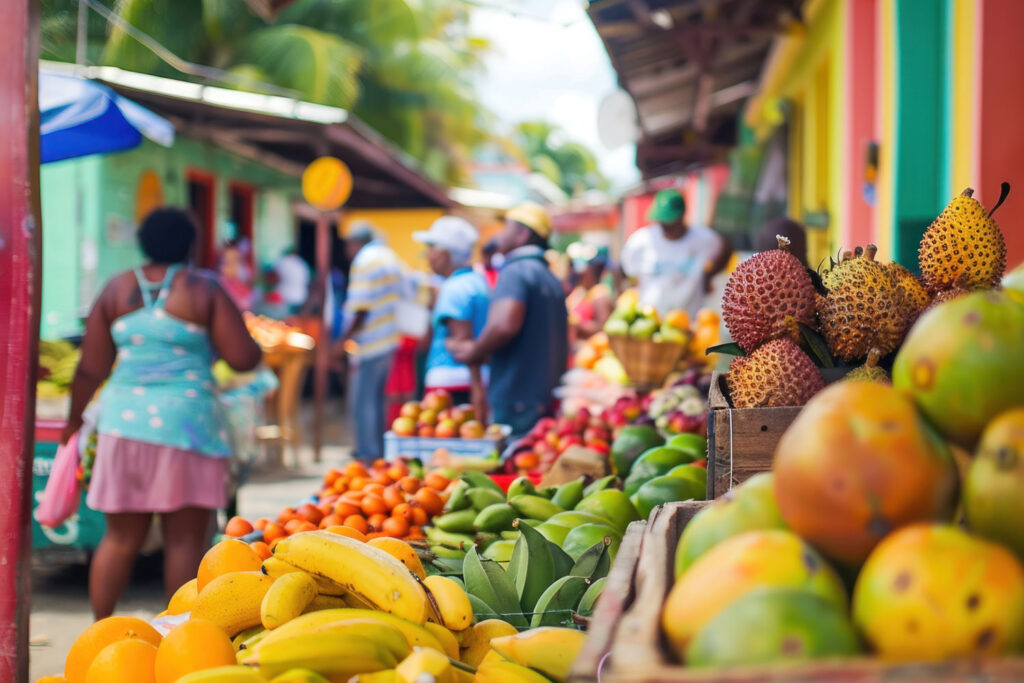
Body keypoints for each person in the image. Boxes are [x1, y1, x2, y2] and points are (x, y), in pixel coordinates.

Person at [61, 207, 261, 619]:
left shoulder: (116, 289)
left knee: (118, 539)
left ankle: (101, 631)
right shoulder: (204, 289)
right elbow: (243, 358)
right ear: (190, 244)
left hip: (123, 426)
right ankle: (182, 634)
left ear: (143, 244)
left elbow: (89, 369)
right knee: (185, 543)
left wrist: (71, 423)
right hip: (188, 427)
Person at [449, 203, 568, 440]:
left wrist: (476, 350)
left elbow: (504, 324)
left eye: (506, 228)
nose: (499, 234)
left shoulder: (516, 271)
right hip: (541, 396)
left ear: (522, 234)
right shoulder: (549, 277)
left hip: (516, 396)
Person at [413, 216, 491, 418]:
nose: (427, 256)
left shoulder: (455, 288)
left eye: (430, 249)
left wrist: (478, 400)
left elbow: (464, 346)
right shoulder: (475, 281)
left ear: (444, 254)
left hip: (453, 385)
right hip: (470, 381)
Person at [340, 221, 404, 462]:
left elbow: (360, 308)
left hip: (370, 343)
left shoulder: (365, 261)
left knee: (363, 401)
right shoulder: (389, 256)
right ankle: (378, 452)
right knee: (376, 400)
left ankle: (368, 454)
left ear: (355, 243)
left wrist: (341, 342)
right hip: (388, 339)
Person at [621, 189, 733, 317]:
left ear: (681, 217)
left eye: (669, 222)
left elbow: (726, 247)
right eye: (662, 221)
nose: (665, 226)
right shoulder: (641, 240)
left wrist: (708, 276)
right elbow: (626, 273)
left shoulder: (703, 238)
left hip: (689, 320)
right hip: (650, 320)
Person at [566, 243, 613, 344]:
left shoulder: (600, 294)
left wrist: (577, 324)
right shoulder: (581, 292)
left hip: (593, 351)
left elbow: (603, 329)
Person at [274, 248, 311, 315]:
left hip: (286, 297)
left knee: (285, 320)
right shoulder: (303, 263)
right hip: (301, 296)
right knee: (295, 319)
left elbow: (276, 277)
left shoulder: (284, 261)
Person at [219, 241, 253, 311]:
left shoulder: (242, 283)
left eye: (236, 261)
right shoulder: (221, 286)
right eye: (227, 263)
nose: (232, 267)